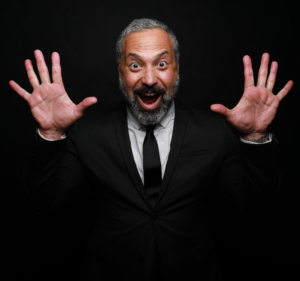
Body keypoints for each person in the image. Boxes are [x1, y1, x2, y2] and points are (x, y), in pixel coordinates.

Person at [9, 18, 293, 281]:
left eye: (161, 64)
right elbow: (40, 205)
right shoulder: (88, 134)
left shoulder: (214, 132)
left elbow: (262, 209)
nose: (148, 79)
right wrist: (50, 133)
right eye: (135, 65)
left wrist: (256, 137)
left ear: (177, 69)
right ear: (120, 71)